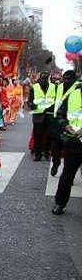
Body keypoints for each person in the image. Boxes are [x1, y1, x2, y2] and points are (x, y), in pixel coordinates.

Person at [52, 79, 82, 215]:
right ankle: (60, 203)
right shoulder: (72, 95)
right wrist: (65, 125)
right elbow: (60, 115)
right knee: (67, 175)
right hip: (73, 141)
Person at [49, 71, 79, 176]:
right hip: (57, 120)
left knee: (69, 153)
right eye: (64, 78)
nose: (66, 81)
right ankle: (55, 164)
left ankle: (69, 174)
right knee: (55, 148)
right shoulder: (59, 87)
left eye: (69, 79)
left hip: (71, 124)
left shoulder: (77, 89)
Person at [29, 72, 56, 161]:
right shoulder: (34, 87)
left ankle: (47, 152)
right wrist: (32, 105)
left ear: (48, 78)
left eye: (45, 78)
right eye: (42, 78)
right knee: (38, 136)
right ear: (39, 78)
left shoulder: (53, 87)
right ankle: (38, 154)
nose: (43, 80)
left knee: (49, 136)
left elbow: (57, 99)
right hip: (38, 115)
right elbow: (30, 101)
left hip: (49, 115)